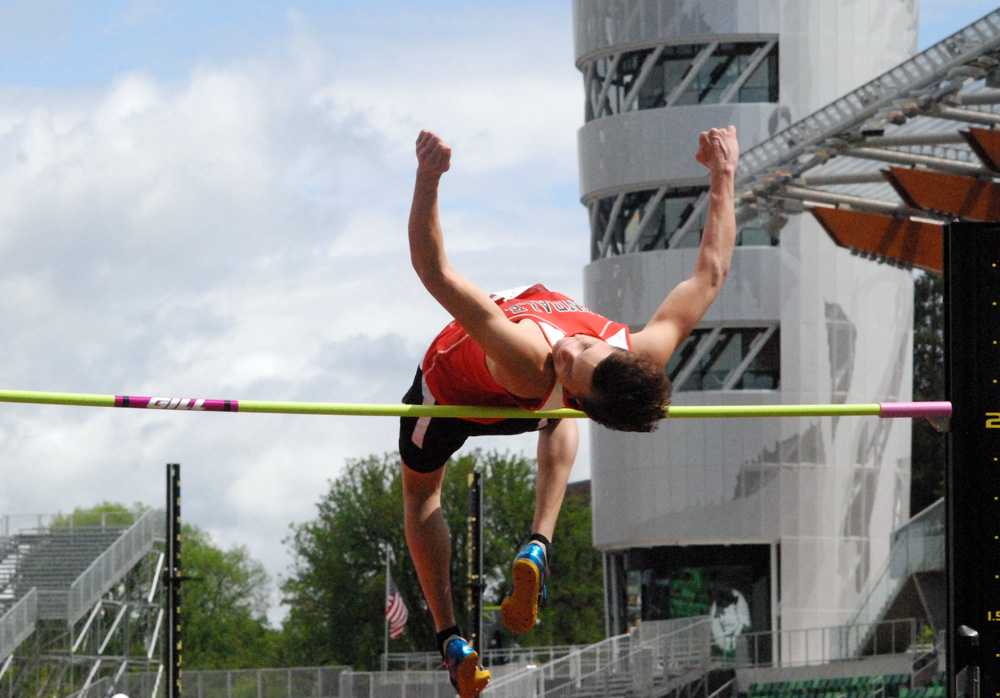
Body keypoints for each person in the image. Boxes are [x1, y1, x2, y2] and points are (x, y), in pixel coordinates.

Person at [400, 125, 739, 698]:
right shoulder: (641, 353)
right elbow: (711, 273)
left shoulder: (531, 357)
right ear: (618, 350)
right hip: (543, 403)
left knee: (420, 495)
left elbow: (435, 271)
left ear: (580, 392)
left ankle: (449, 637)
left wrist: (427, 177)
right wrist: (723, 174)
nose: (568, 348)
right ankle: (539, 542)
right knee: (555, 414)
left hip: (448, 394)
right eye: (583, 347)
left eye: (572, 362)